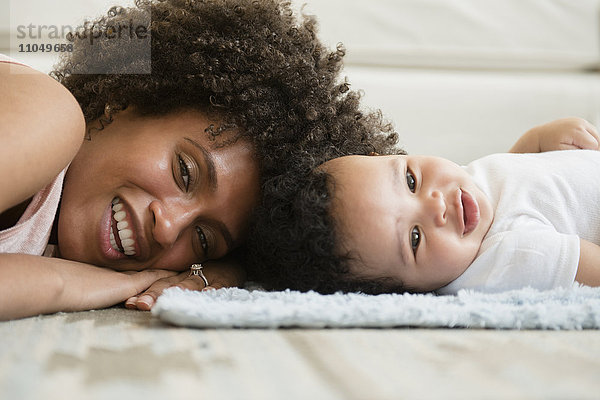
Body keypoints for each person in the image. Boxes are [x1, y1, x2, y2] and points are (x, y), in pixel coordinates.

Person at [0, 0, 399, 320]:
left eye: (204, 239)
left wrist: (224, 272)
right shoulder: (47, 113)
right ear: (124, 100)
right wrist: (63, 285)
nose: (168, 229)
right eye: (185, 172)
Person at [245, 118, 600, 294]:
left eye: (411, 180)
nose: (435, 207)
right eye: (414, 239)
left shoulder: (465, 196)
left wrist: (532, 144)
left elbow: (508, 192)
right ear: (409, 291)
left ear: (384, 154)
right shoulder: (513, 257)